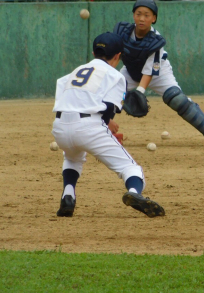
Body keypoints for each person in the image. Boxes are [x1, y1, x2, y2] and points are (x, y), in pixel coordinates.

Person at [51, 32, 165, 218]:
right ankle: (135, 194)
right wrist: (104, 132)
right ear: (118, 56)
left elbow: (68, 101)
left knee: (72, 158)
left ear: (94, 52)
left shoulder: (72, 73)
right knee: (131, 168)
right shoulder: (115, 75)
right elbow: (109, 110)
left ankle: (68, 195)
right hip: (89, 128)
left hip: (60, 126)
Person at [113, 0, 204, 147]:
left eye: (147, 15)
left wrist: (140, 91)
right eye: (138, 14)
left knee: (177, 99)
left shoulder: (156, 41)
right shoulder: (123, 32)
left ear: (154, 19)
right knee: (109, 94)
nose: (142, 18)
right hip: (131, 70)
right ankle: (100, 132)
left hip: (158, 74)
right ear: (133, 15)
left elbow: (150, 71)